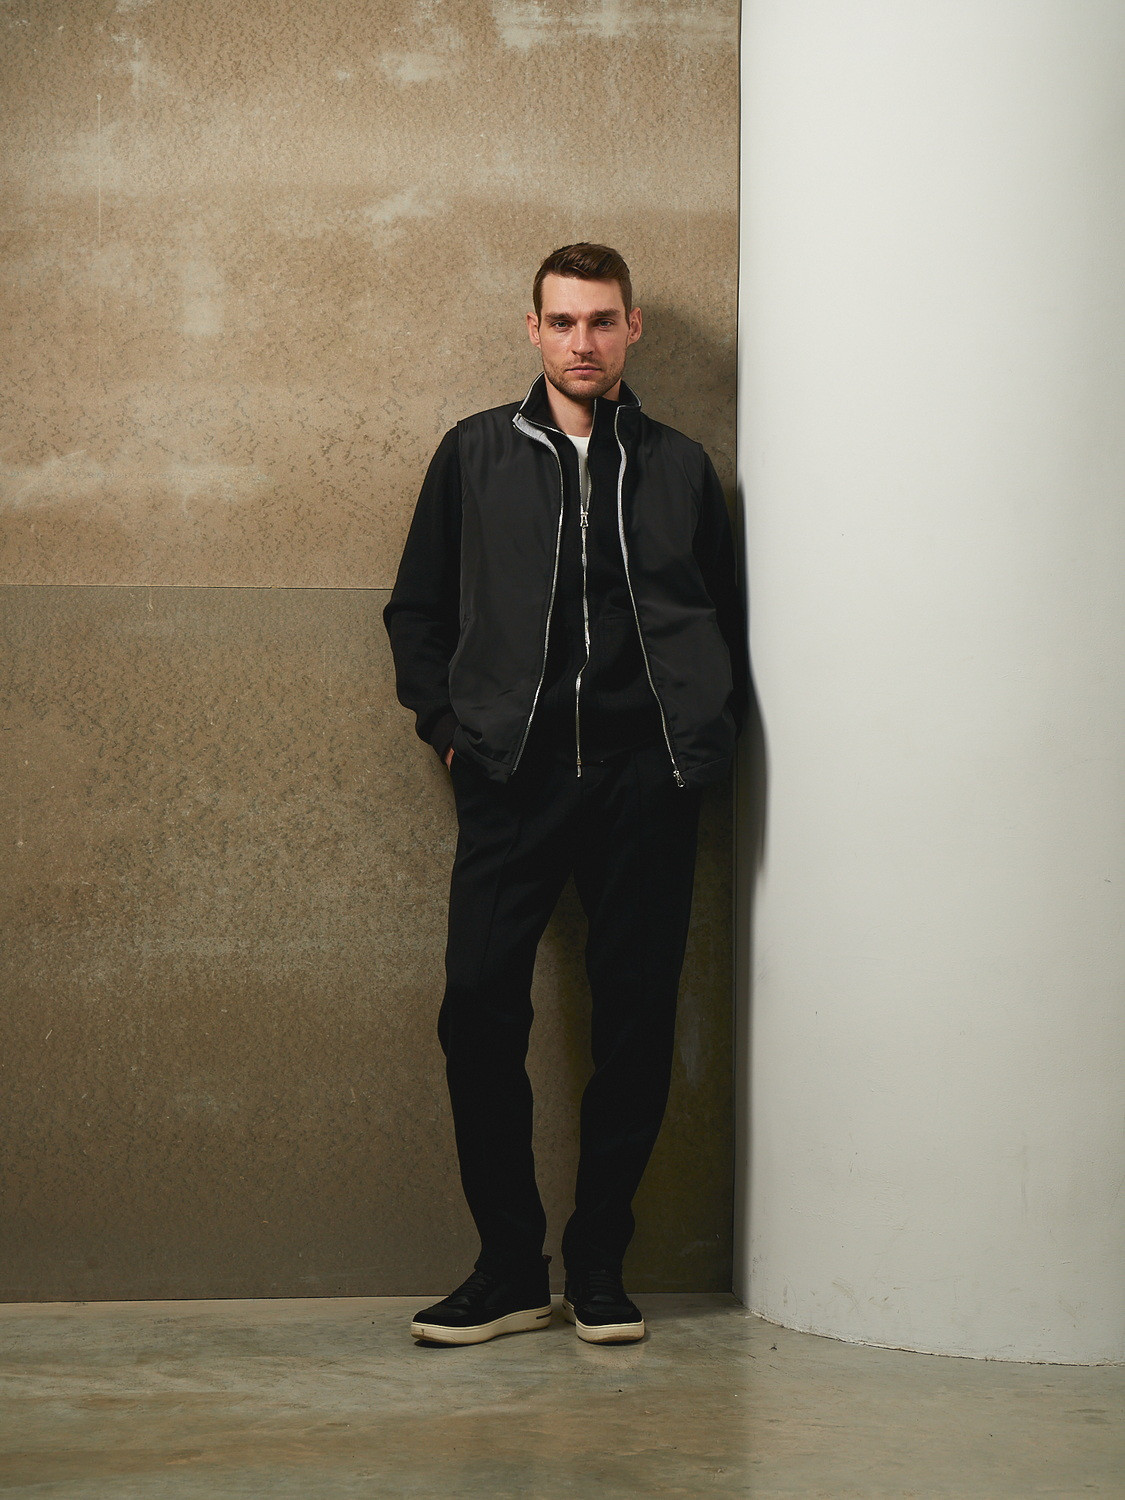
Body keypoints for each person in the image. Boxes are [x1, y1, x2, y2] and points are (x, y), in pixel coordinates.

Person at [384, 243, 747, 1346]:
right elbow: (417, 610)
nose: (581, 342)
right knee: (477, 1010)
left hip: (646, 782)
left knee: (633, 1026)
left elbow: (723, 620)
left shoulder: (680, 467)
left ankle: (597, 1267)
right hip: (513, 778)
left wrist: (699, 745)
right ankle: (508, 1269)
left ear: (632, 328)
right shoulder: (475, 452)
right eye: (562, 321)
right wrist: (451, 733)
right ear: (533, 329)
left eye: (600, 321)